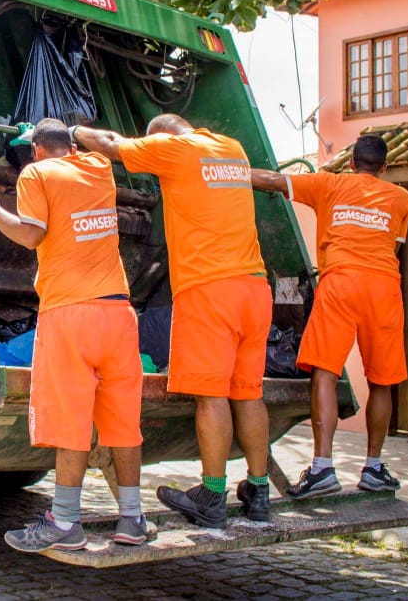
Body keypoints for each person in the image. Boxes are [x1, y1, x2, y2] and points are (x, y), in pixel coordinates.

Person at [72, 114, 272, 529]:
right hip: (254, 287)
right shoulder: (231, 146)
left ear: (161, 137)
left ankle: (212, 496)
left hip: (209, 290)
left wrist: (72, 132)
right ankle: (258, 490)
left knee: (212, 396)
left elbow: (111, 142)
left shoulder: (174, 150)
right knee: (248, 394)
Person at [0, 118, 152, 553]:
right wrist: (70, 132)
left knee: (70, 420)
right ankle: (132, 520)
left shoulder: (36, 172)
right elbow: (99, 144)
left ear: (34, 151)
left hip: (69, 313)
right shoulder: (99, 170)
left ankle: (66, 523)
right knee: (123, 423)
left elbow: (31, 234)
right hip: (117, 314)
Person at [249, 134, 408, 498]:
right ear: (383, 167)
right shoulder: (402, 198)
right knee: (382, 380)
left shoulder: (329, 184)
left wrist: (227, 173)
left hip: (340, 283)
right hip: (384, 287)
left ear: (351, 162)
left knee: (325, 372)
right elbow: (393, 247)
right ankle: (373, 467)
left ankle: (322, 468)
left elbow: (274, 181)